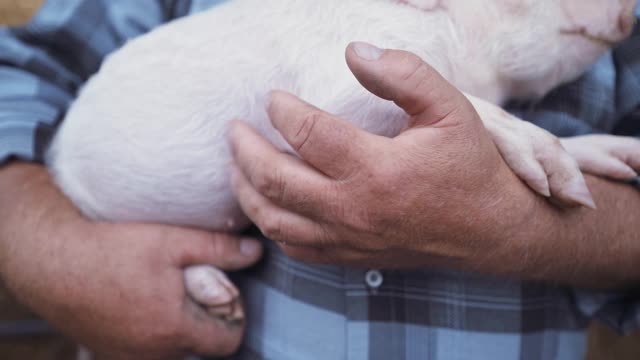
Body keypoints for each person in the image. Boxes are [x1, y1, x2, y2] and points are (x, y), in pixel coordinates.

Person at [0, 0, 638, 359]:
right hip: (107, 197)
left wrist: (520, 215)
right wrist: (60, 255)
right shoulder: (386, 26)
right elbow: (346, 100)